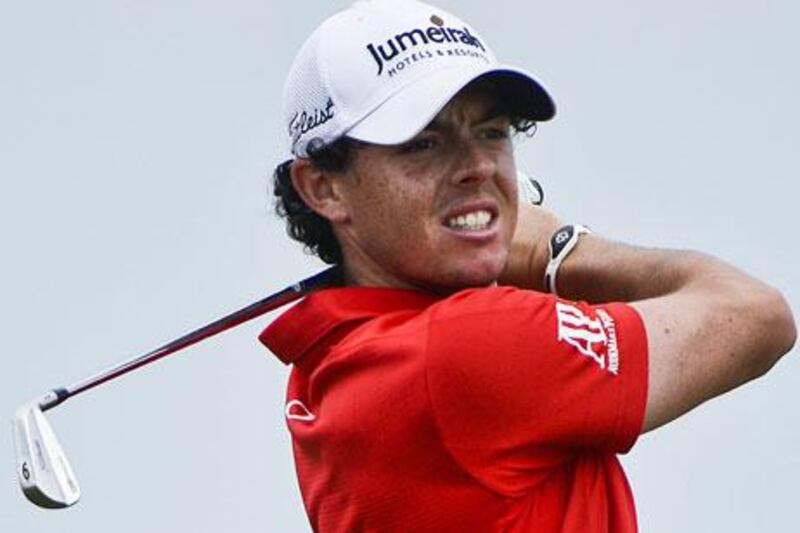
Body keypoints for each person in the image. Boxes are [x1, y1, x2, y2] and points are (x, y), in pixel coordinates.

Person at [261, 0, 796, 531]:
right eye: (423, 144)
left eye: (492, 133)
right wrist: (556, 250)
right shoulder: (467, 343)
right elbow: (756, 316)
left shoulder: (325, 367)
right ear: (323, 187)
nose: (477, 168)